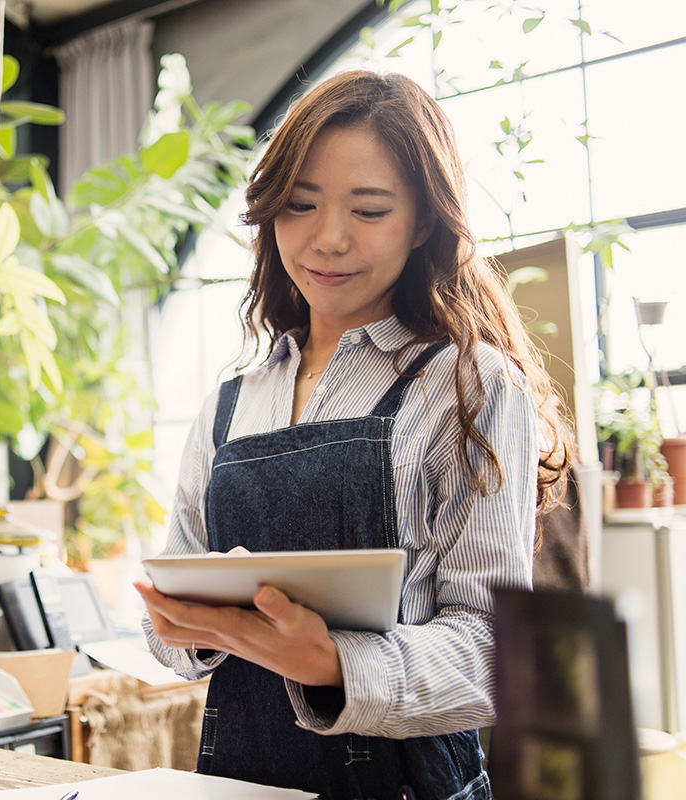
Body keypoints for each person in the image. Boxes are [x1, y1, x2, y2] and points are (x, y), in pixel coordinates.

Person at [135, 69, 569, 800]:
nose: (327, 238)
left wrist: (333, 662)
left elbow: (495, 654)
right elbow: (166, 626)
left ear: (425, 222)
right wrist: (193, 624)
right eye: (300, 204)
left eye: (368, 210)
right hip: (243, 785)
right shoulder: (229, 402)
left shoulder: (469, 385)